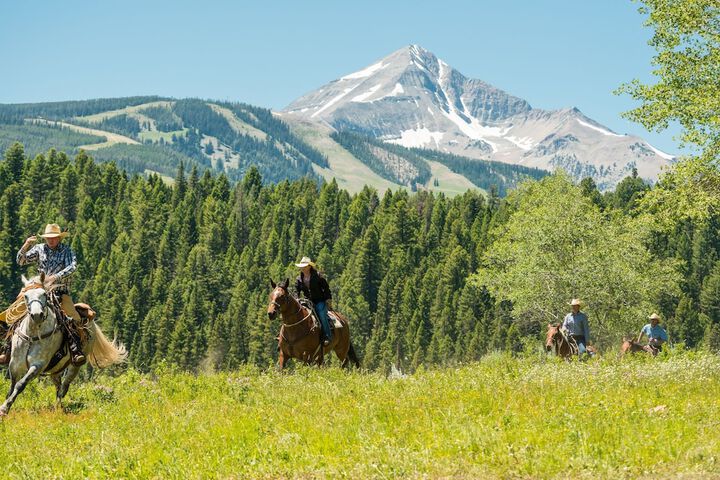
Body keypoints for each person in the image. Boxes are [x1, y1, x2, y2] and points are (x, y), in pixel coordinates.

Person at [4, 223, 86, 365]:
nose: (51, 240)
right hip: (38, 288)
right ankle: (7, 348)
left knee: (72, 317)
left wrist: (56, 277)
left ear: (59, 238)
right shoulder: (39, 249)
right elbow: (20, 261)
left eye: (54, 237)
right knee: (16, 310)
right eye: (48, 237)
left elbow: (72, 267)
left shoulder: (67, 251)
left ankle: (75, 349)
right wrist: (26, 245)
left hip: (59, 290)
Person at [294, 256, 333, 346]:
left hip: (319, 300)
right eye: (301, 266)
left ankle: (327, 336)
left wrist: (328, 299)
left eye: (304, 266)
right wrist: (296, 298)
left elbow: (326, 288)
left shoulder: (318, 276)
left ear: (309, 266)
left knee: (321, 314)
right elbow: (297, 291)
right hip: (307, 301)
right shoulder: (299, 279)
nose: (302, 268)